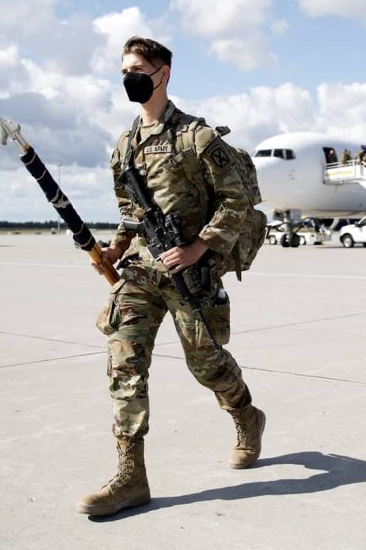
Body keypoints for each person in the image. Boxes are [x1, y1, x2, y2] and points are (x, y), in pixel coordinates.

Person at [78, 37, 266, 517]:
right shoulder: (124, 146)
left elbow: (236, 200)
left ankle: (246, 415)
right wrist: (114, 248)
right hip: (141, 269)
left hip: (190, 271)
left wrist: (200, 246)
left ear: (163, 73)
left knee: (205, 362)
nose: (130, 77)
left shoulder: (197, 138)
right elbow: (131, 213)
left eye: (138, 68)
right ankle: (130, 475)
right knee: (124, 362)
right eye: (125, 69)